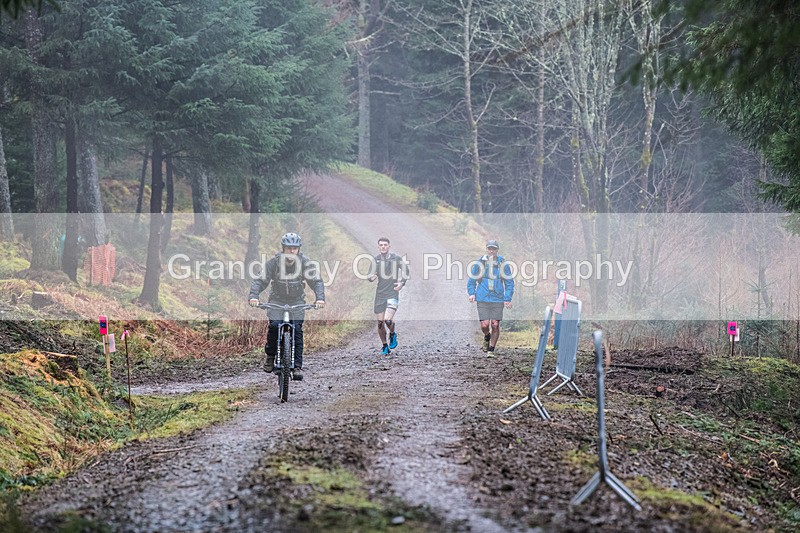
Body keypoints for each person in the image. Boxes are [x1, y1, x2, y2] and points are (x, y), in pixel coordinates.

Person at [248, 232, 325, 380]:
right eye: (289, 248)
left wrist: (320, 298)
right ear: (283, 248)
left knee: (297, 330)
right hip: (277, 300)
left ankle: (297, 366)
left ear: (298, 249)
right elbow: (260, 280)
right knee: (275, 326)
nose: (291, 251)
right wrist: (253, 296)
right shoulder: (274, 262)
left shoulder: (305, 262)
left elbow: (316, 281)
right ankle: (270, 356)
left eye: (294, 248)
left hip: (297, 300)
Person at [466, 239, 514, 356]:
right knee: (485, 325)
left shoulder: (503, 264)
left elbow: (509, 282)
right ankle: (487, 336)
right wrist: (472, 293)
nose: (491, 251)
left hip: (497, 298)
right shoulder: (480, 263)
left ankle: (491, 350)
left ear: (497, 250)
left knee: (495, 324)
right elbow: (472, 280)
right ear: (487, 249)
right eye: (489, 248)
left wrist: (507, 298)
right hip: (482, 297)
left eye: (494, 249)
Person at [367, 237, 409, 355]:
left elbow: (406, 271)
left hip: (392, 292)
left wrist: (402, 283)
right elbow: (369, 276)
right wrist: (371, 277)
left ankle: (392, 333)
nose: (383, 247)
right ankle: (385, 346)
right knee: (380, 322)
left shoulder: (396, 259)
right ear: (378, 247)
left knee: (388, 320)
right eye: (381, 245)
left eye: (385, 244)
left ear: (389, 246)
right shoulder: (376, 260)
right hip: (380, 294)